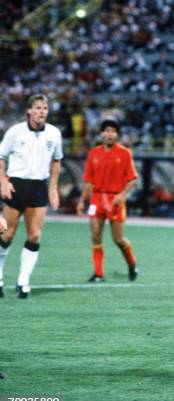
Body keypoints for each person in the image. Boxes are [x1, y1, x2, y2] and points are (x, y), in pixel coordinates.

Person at [0, 94, 63, 299]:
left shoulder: (54, 134)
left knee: (34, 235)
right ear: (29, 110)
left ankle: (23, 281)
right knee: (6, 235)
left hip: (38, 187)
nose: (41, 111)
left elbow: (57, 160)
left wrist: (53, 189)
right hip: (17, 185)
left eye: (44, 108)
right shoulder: (15, 132)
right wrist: (3, 181)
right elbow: (1, 157)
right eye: (37, 108)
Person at [77, 119, 138, 283]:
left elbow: (132, 179)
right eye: (107, 131)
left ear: (117, 135)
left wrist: (122, 195)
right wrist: (82, 201)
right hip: (96, 199)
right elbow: (88, 180)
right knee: (95, 236)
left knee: (118, 239)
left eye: (113, 131)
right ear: (101, 134)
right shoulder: (93, 153)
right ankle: (98, 273)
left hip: (115, 200)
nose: (109, 134)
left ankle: (132, 263)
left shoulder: (125, 153)